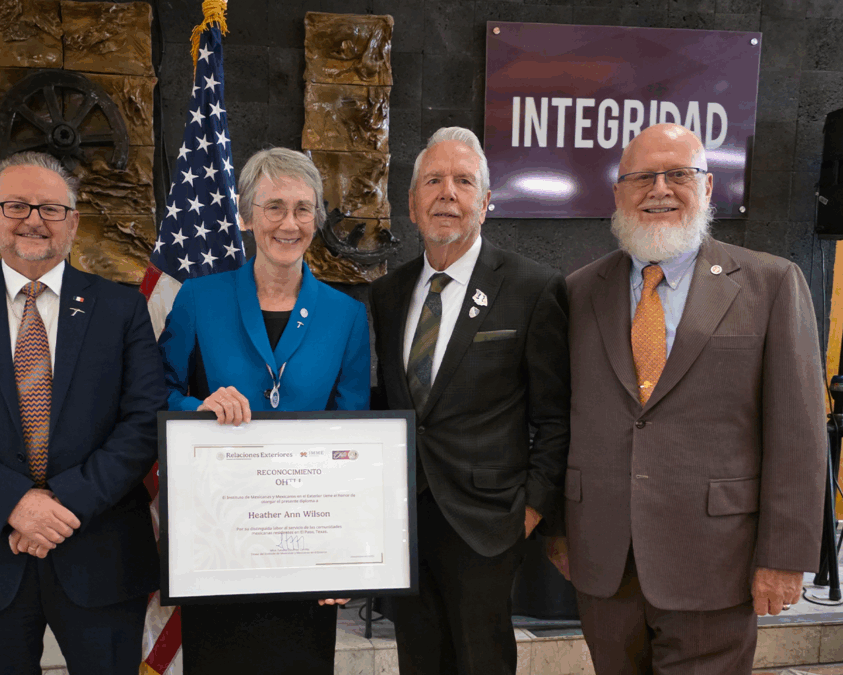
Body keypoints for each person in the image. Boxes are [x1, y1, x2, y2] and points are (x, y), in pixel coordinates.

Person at [556, 123, 827, 673]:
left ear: (707, 188)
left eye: (678, 174)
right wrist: (561, 532)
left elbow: (798, 431)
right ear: (617, 193)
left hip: (717, 561)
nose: (660, 188)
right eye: (642, 177)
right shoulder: (579, 291)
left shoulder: (771, 284)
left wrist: (785, 556)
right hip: (605, 562)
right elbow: (559, 418)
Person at [0, 151, 166, 674]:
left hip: (100, 553)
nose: (33, 220)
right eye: (17, 205)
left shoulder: (121, 308)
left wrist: (57, 508)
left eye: (50, 208)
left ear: (72, 222)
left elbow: (143, 420)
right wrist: (13, 505)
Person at [158, 147, 370, 674]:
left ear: (316, 220)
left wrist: (347, 555)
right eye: (273, 206)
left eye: (303, 209)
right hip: (218, 539)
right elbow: (152, 394)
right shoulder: (198, 299)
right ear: (246, 215)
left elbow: (357, 439)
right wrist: (197, 406)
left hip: (307, 545)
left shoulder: (347, 316)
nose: (288, 223)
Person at [370, 126, 570, 675]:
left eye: (463, 181)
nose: (447, 193)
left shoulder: (533, 287)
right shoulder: (388, 294)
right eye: (433, 180)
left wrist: (529, 511)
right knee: (418, 658)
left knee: (482, 662)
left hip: (487, 523)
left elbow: (555, 416)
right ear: (412, 205)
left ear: (486, 202)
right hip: (406, 518)